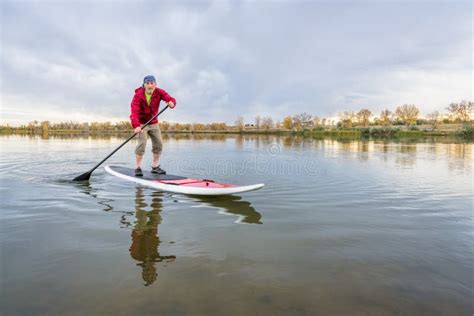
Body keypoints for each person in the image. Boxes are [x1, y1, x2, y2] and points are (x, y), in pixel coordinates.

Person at [130, 75, 176, 176]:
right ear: (144, 85)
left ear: (155, 84)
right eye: (148, 83)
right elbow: (134, 113)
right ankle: (137, 167)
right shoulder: (138, 95)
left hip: (154, 122)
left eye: (152, 83)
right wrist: (136, 126)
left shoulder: (159, 92)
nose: (150, 85)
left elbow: (169, 98)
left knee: (159, 144)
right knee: (142, 143)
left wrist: (171, 102)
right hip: (142, 124)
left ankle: (155, 167)